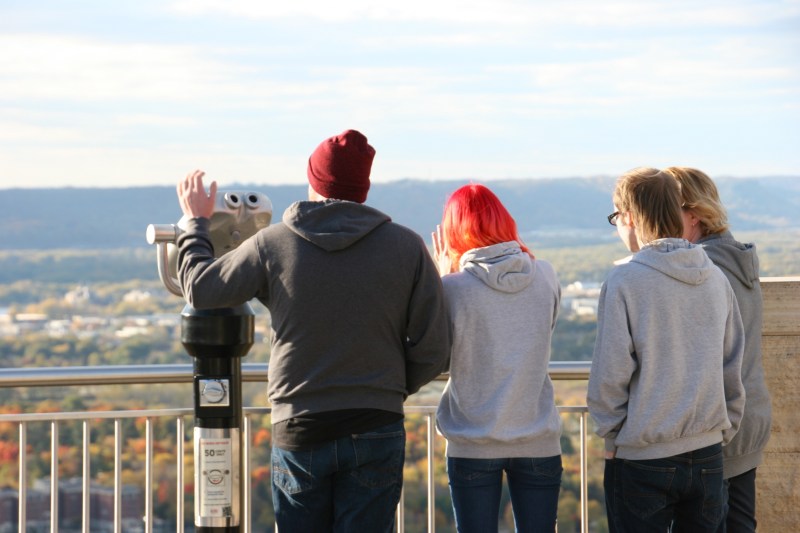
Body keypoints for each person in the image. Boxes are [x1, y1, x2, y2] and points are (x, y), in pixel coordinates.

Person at [175, 129, 452, 532]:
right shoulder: (406, 247)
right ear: (364, 188)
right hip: (376, 422)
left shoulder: (273, 244)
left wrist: (196, 225)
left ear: (313, 181)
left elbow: (201, 289)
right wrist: (384, 387)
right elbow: (435, 346)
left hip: (301, 423)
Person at [587, 167, 746, 532]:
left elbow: (610, 373)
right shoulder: (715, 277)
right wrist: (722, 430)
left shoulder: (625, 280)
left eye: (616, 217)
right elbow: (732, 364)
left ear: (629, 216)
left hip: (644, 456)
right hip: (708, 454)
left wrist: (613, 436)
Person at [432, 183, 563, 533]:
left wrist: (441, 283)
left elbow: (441, 361)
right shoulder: (546, 275)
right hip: (537, 436)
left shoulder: (452, 288)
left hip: (472, 441)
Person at [665, 166, 772, 533]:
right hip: (749, 414)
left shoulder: (705, 269)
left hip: (721, 424)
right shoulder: (736, 259)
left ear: (693, 214)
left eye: (668, 209)